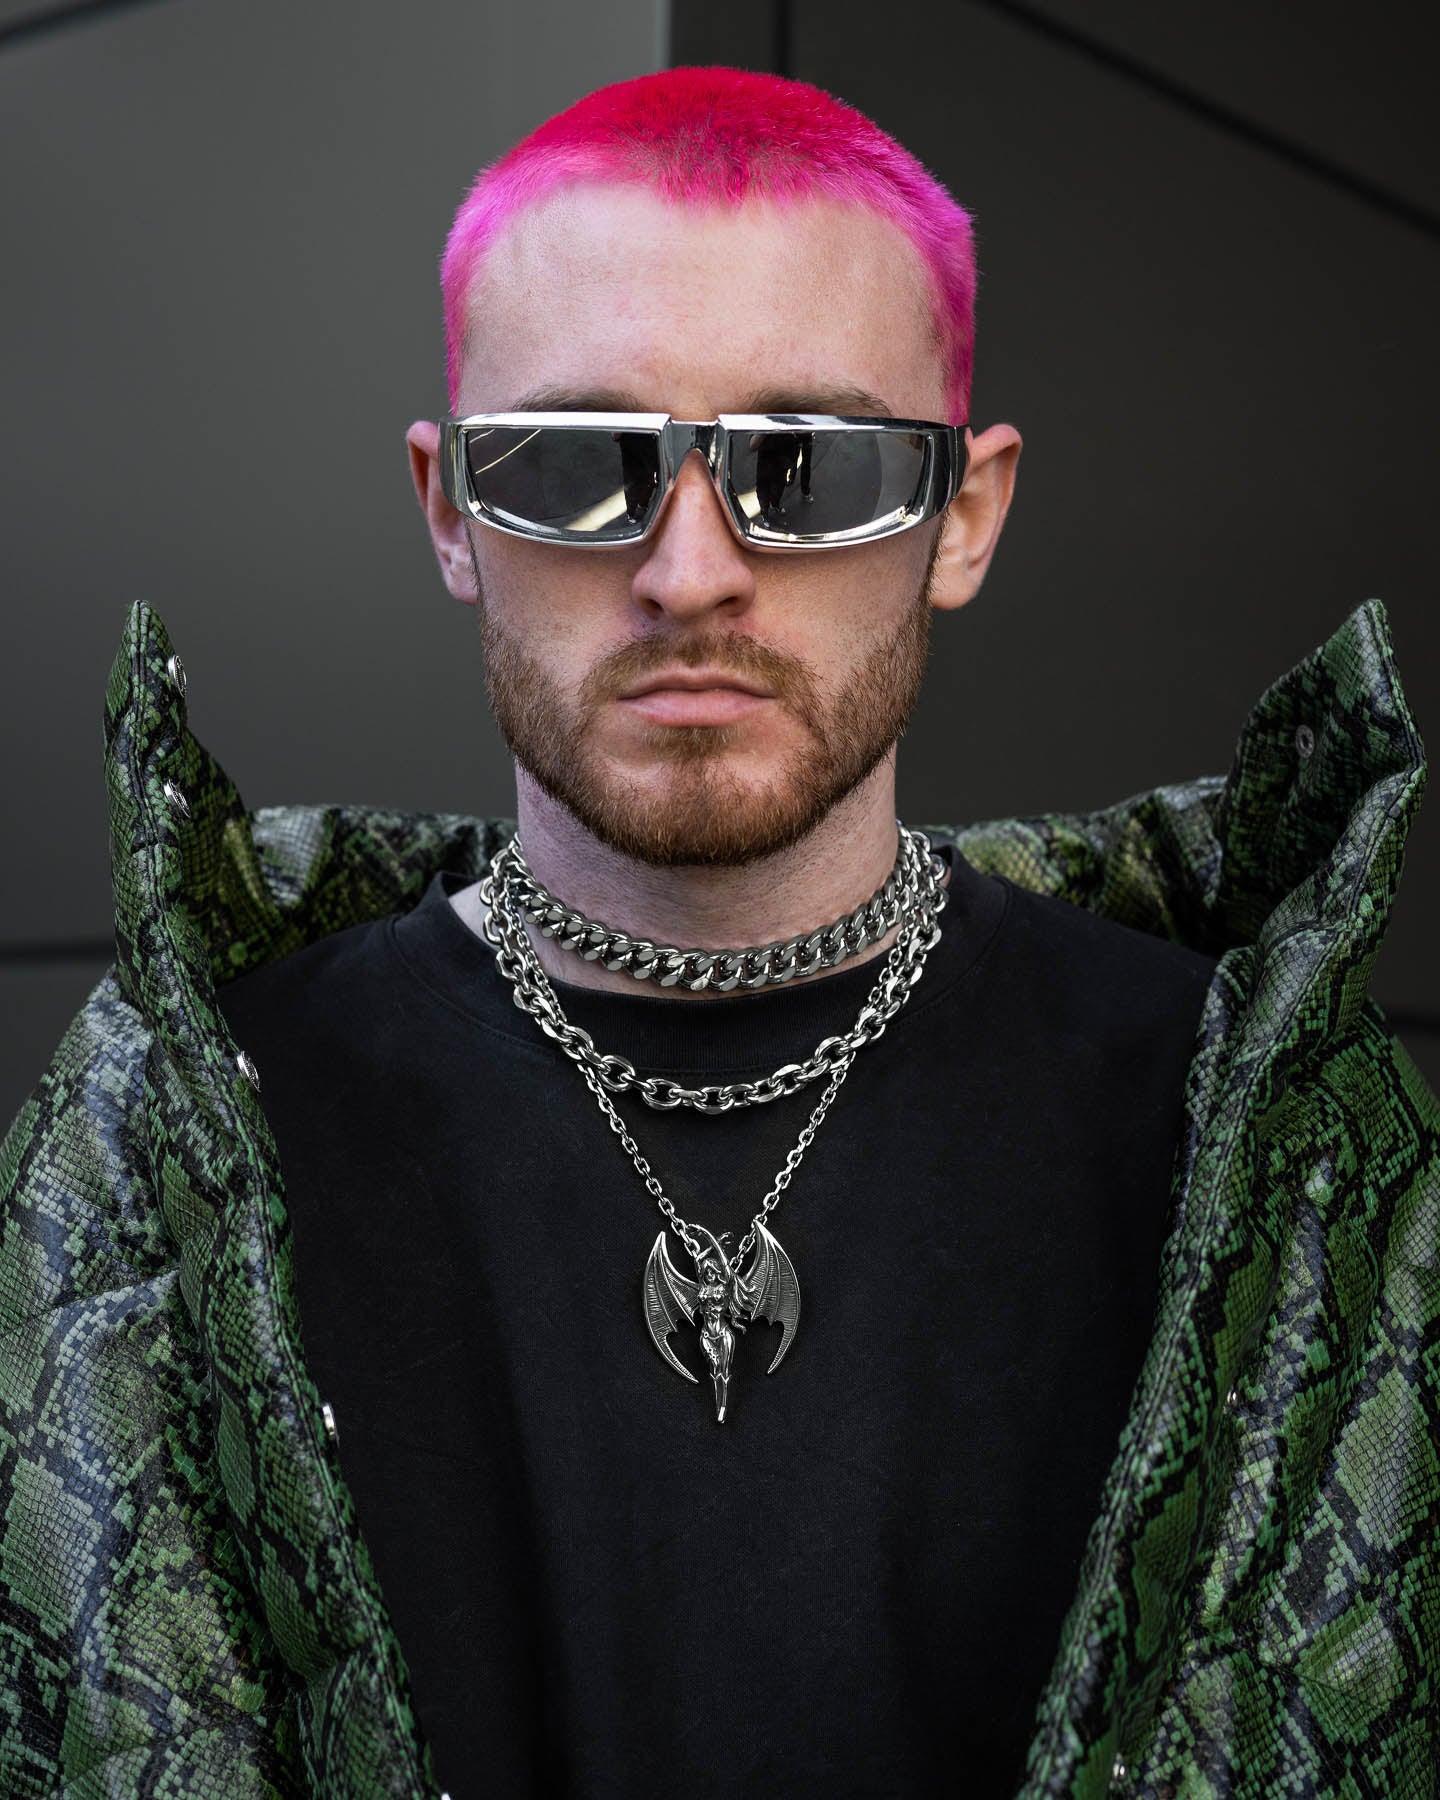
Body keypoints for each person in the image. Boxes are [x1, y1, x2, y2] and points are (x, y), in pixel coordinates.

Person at [0, 65, 1435, 1800]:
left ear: (961, 516)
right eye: (581, 469)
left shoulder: (1275, 1137)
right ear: (450, 507)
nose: (691, 571)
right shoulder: (166, 1123)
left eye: (808, 469)